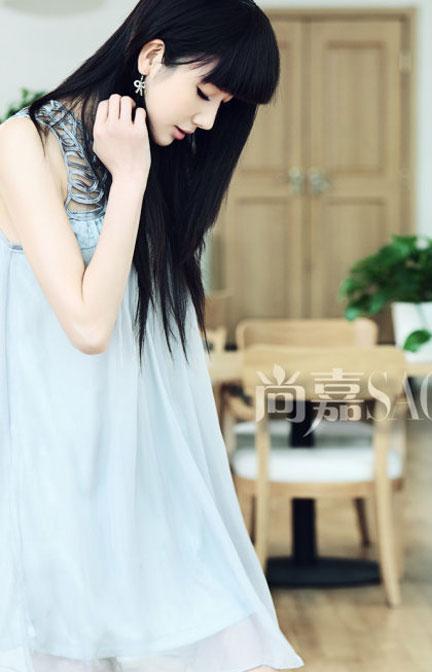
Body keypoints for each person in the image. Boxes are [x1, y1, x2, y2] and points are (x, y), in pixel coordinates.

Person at [0, 1, 305, 671]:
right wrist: (131, 177)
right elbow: (88, 325)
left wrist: (142, 171)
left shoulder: (165, 157)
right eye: (205, 93)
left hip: (147, 463)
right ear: (151, 56)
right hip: (55, 465)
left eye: (225, 106)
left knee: (232, 639)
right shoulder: (24, 143)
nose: (208, 121)